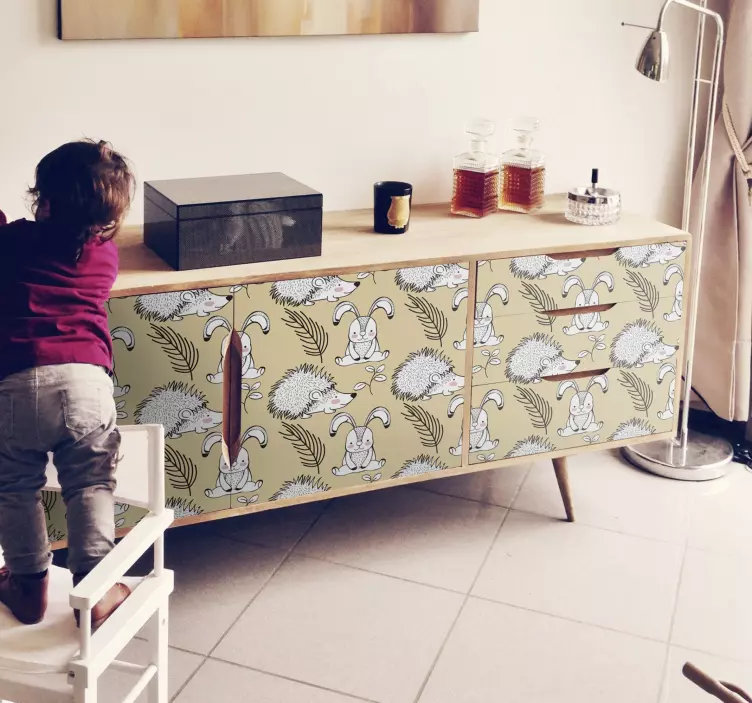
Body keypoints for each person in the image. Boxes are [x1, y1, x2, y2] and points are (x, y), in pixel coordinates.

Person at [0, 139, 134, 628]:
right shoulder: (105, 256)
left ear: (46, 202)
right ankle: (96, 590)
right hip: (86, 384)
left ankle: (28, 585)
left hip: (16, 384)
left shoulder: (13, 242)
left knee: (14, 487)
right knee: (91, 483)